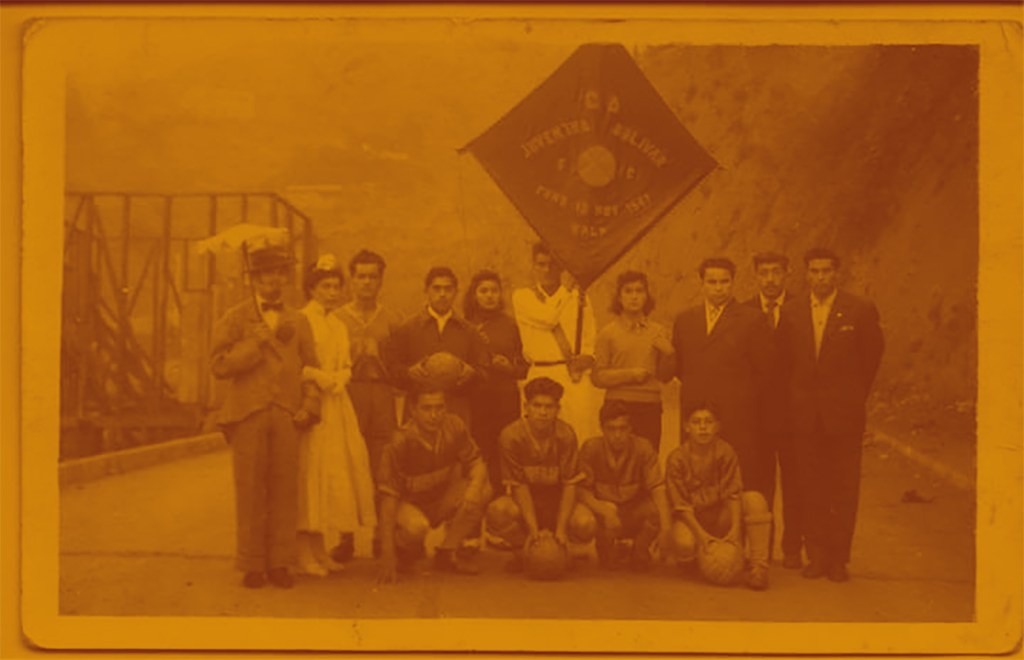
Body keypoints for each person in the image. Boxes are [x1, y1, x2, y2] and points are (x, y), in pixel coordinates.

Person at [210, 236, 320, 589]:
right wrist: (252, 344)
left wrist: (309, 406)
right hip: (247, 414)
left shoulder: (298, 321)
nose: (272, 282)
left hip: (286, 413)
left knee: (285, 490)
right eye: (265, 276)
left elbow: (311, 369)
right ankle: (252, 564)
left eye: (278, 275)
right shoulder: (235, 318)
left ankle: (280, 564)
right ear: (253, 280)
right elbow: (219, 366)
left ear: (285, 280)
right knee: (250, 489)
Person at [777, 248, 884, 582]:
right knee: (810, 486)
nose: (820, 277)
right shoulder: (792, 311)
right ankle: (817, 556)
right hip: (805, 415)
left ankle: (839, 558)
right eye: (814, 271)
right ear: (806, 274)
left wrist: (850, 396)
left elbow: (871, 358)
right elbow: (785, 361)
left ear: (838, 274)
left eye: (826, 271)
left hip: (844, 415)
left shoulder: (860, 310)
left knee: (843, 487)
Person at [294, 255, 377, 577]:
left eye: (335, 286)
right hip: (312, 402)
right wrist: (318, 376)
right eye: (324, 286)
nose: (331, 292)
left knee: (331, 476)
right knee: (309, 474)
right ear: (312, 289)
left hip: (338, 406)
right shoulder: (302, 320)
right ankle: (303, 550)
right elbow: (294, 364)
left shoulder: (338, 324)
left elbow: (345, 364)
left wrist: (342, 376)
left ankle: (320, 548)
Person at [671, 257, 773, 498]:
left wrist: (741, 400)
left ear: (733, 283)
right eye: (712, 281)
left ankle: (736, 534)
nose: (719, 288)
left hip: (736, 416)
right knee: (695, 479)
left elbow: (765, 371)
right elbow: (680, 367)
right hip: (696, 414)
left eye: (724, 282)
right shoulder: (685, 320)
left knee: (738, 482)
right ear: (702, 283)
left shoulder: (752, 319)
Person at [375, 388, 492, 582]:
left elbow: (477, 462)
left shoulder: (454, 425)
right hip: (407, 505)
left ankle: (446, 552)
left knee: (483, 489)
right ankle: (402, 551)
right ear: (413, 410)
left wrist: (473, 490)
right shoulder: (400, 440)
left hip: (439, 500)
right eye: (426, 408)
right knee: (416, 528)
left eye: (439, 407)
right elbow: (388, 497)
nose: (434, 415)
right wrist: (387, 554)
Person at [485, 377, 597, 571]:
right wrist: (533, 531)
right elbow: (518, 486)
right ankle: (523, 550)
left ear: (558, 409)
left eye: (549, 407)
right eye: (537, 406)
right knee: (498, 511)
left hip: (557, 502)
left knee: (585, 523)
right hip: (527, 503)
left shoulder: (566, 434)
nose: (543, 412)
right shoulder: (511, 436)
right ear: (526, 406)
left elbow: (570, 484)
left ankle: (560, 550)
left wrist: (561, 529)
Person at [665, 402, 773, 590]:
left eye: (708, 422)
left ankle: (758, 566)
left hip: (720, 516)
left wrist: (735, 533)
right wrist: (702, 537)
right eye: (696, 422)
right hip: (693, 520)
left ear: (717, 427)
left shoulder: (726, 451)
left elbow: (733, 494)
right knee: (684, 543)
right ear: (687, 427)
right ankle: (695, 561)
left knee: (755, 500)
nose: (703, 427)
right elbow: (681, 507)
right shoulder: (676, 458)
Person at [743, 251, 805, 569]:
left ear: (787, 274)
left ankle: (792, 547)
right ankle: (761, 550)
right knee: (758, 485)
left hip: (794, 416)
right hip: (757, 419)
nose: (770, 279)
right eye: (764, 273)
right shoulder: (742, 313)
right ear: (755, 276)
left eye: (776, 272)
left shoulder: (800, 309)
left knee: (795, 484)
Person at [512, 243, 601, 443]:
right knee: (539, 438)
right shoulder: (523, 297)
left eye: (552, 265)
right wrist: (567, 289)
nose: (547, 270)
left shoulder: (580, 298)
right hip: (540, 373)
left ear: (561, 268)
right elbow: (548, 318)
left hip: (573, 376)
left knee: (578, 435)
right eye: (541, 264)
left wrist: (588, 357)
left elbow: (590, 337)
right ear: (533, 266)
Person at [386, 266, 490, 426]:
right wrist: (408, 373)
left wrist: (473, 374)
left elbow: (485, 371)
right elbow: (392, 369)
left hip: (457, 411)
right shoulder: (407, 329)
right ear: (426, 291)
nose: (442, 294)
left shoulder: (469, 331)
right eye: (437, 288)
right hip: (419, 412)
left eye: (448, 289)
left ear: (456, 292)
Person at [577, 400, 672, 571]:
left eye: (622, 428)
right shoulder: (591, 448)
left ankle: (640, 550)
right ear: (602, 428)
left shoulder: (643, 448)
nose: (617, 435)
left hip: (633, 509)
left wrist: (666, 528)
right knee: (588, 519)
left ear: (630, 428)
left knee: (659, 509)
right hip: (606, 512)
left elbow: (658, 488)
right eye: (611, 429)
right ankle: (605, 548)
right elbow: (582, 491)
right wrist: (605, 511)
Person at [590, 271, 675, 451]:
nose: (634, 296)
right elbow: (597, 378)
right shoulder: (608, 333)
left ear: (646, 296)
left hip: (650, 407)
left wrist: (669, 354)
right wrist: (630, 375)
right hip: (617, 407)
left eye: (639, 291)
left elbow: (665, 377)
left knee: (648, 459)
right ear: (619, 297)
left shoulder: (659, 332)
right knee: (616, 462)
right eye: (628, 291)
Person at [336, 249, 401, 481]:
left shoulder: (392, 319)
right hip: (348, 392)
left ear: (381, 281)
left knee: (383, 452)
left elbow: (399, 369)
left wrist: (380, 355)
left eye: (372, 277)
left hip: (382, 393)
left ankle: (380, 507)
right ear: (351, 280)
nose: (366, 282)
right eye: (361, 276)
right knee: (348, 450)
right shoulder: (337, 318)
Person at [463, 270, 529, 495]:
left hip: (504, 399)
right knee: (479, 452)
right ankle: (476, 508)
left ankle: (501, 509)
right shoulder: (465, 325)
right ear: (474, 295)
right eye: (483, 291)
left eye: (494, 291)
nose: (489, 296)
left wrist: (509, 368)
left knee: (504, 452)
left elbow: (524, 366)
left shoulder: (511, 325)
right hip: (476, 399)